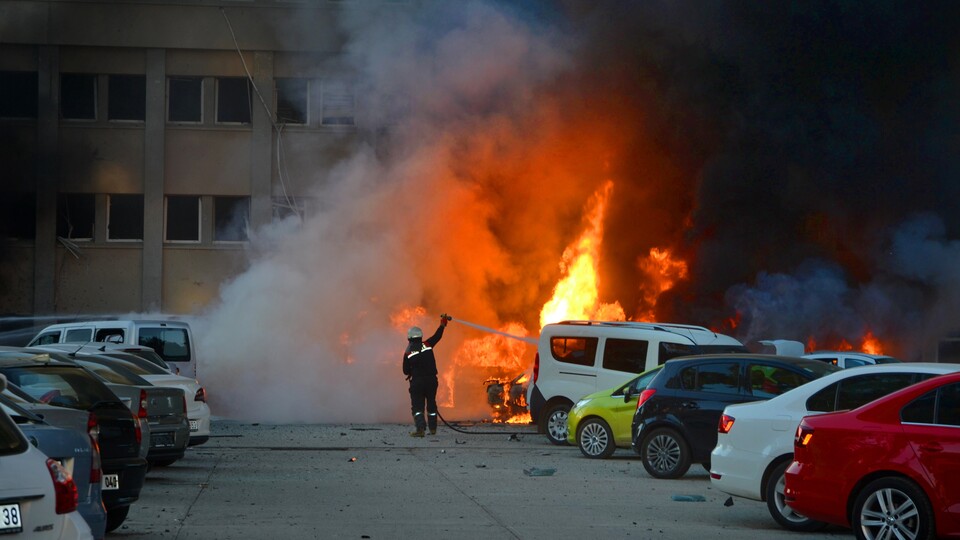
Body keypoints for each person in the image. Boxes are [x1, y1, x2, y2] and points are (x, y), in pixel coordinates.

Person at [403, 314, 450, 437]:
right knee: (431, 405)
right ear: (420, 336)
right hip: (431, 381)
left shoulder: (408, 352)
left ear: (409, 338)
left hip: (417, 382)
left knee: (418, 407)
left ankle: (420, 430)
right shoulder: (428, 344)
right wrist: (442, 324)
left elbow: (405, 371)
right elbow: (437, 336)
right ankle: (433, 429)